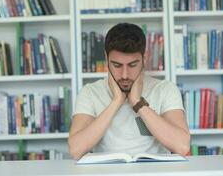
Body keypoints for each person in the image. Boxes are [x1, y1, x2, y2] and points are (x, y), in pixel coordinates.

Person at [68, 23, 190, 160]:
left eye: (132, 65)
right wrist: (116, 101)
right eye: (117, 65)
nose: (124, 75)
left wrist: (137, 103)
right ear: (106, 59)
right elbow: (76, 150)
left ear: (145, 58)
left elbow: (182, 146)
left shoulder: (165, 89)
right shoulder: (89, 92)